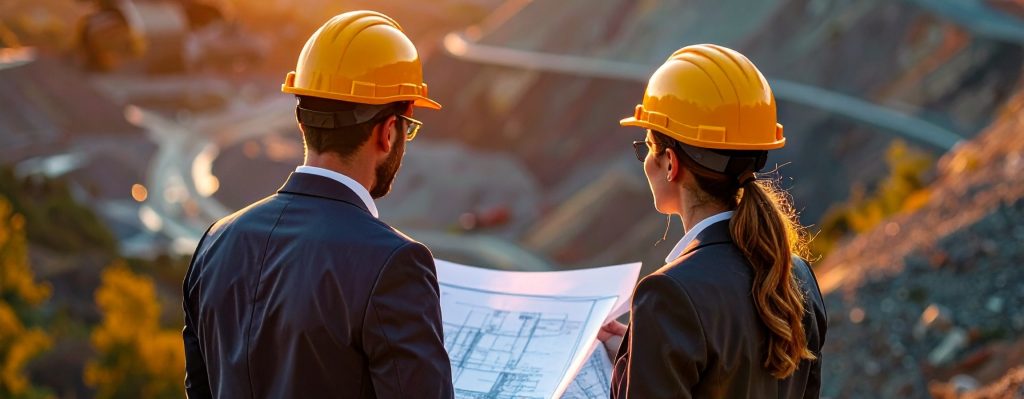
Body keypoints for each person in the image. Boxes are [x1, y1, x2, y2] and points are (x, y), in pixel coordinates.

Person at [181, 11, 454, 398]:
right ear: (388, 131)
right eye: (408, 127)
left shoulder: (215, 243)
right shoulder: (394, 265)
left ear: (301, 120)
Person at [599, 44, 828, 398]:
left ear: (671, 163)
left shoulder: (668, 295)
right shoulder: (795, 274)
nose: (645, 160)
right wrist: (634, 361)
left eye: (646, 147)